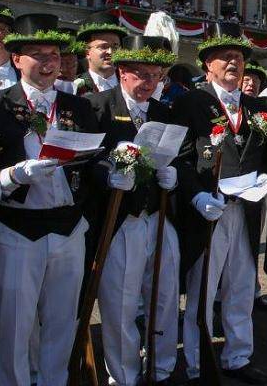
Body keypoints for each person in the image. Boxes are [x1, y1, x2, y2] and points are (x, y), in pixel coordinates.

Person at [0, 26, 98, 385]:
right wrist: (11, 177)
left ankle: (54, 380)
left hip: (69, 227)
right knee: (16, 325)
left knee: (61, 320)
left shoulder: (78, 105)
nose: (48, 62)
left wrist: (116, 166)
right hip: (19, 229)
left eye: (54, 55)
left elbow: (91, 162)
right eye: (38, 55)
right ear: (16, 59)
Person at [173, 35, 267, 384]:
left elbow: (266, 155)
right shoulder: (192, 103)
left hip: (246, 209)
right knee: (203, 289)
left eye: (239, 58)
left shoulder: (257, 108)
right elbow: (181, 159)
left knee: (242, 286)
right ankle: (198, 364)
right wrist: (197, 196)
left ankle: (238, 356)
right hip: (210, 210)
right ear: (207, 66)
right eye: (225, 57)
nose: (233, 63)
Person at [87, 37, 181, 386]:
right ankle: (124, 374)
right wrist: (107, 174)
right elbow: (86, 160)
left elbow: (177, 155)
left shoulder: (162, 111)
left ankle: (163, 366)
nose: (149, 83)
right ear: (122, 72)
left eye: (155, 76)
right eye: (141, 74)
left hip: (157, 215)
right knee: (121, 305)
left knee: (166, 296)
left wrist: (173, 178)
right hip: (121, 220)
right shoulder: (98, 106)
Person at [75, 11, 127, 94]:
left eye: (115, 46)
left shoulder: (129, 85)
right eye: (103, 47)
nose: (110, 52)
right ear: (87, 52)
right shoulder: (75, 87)